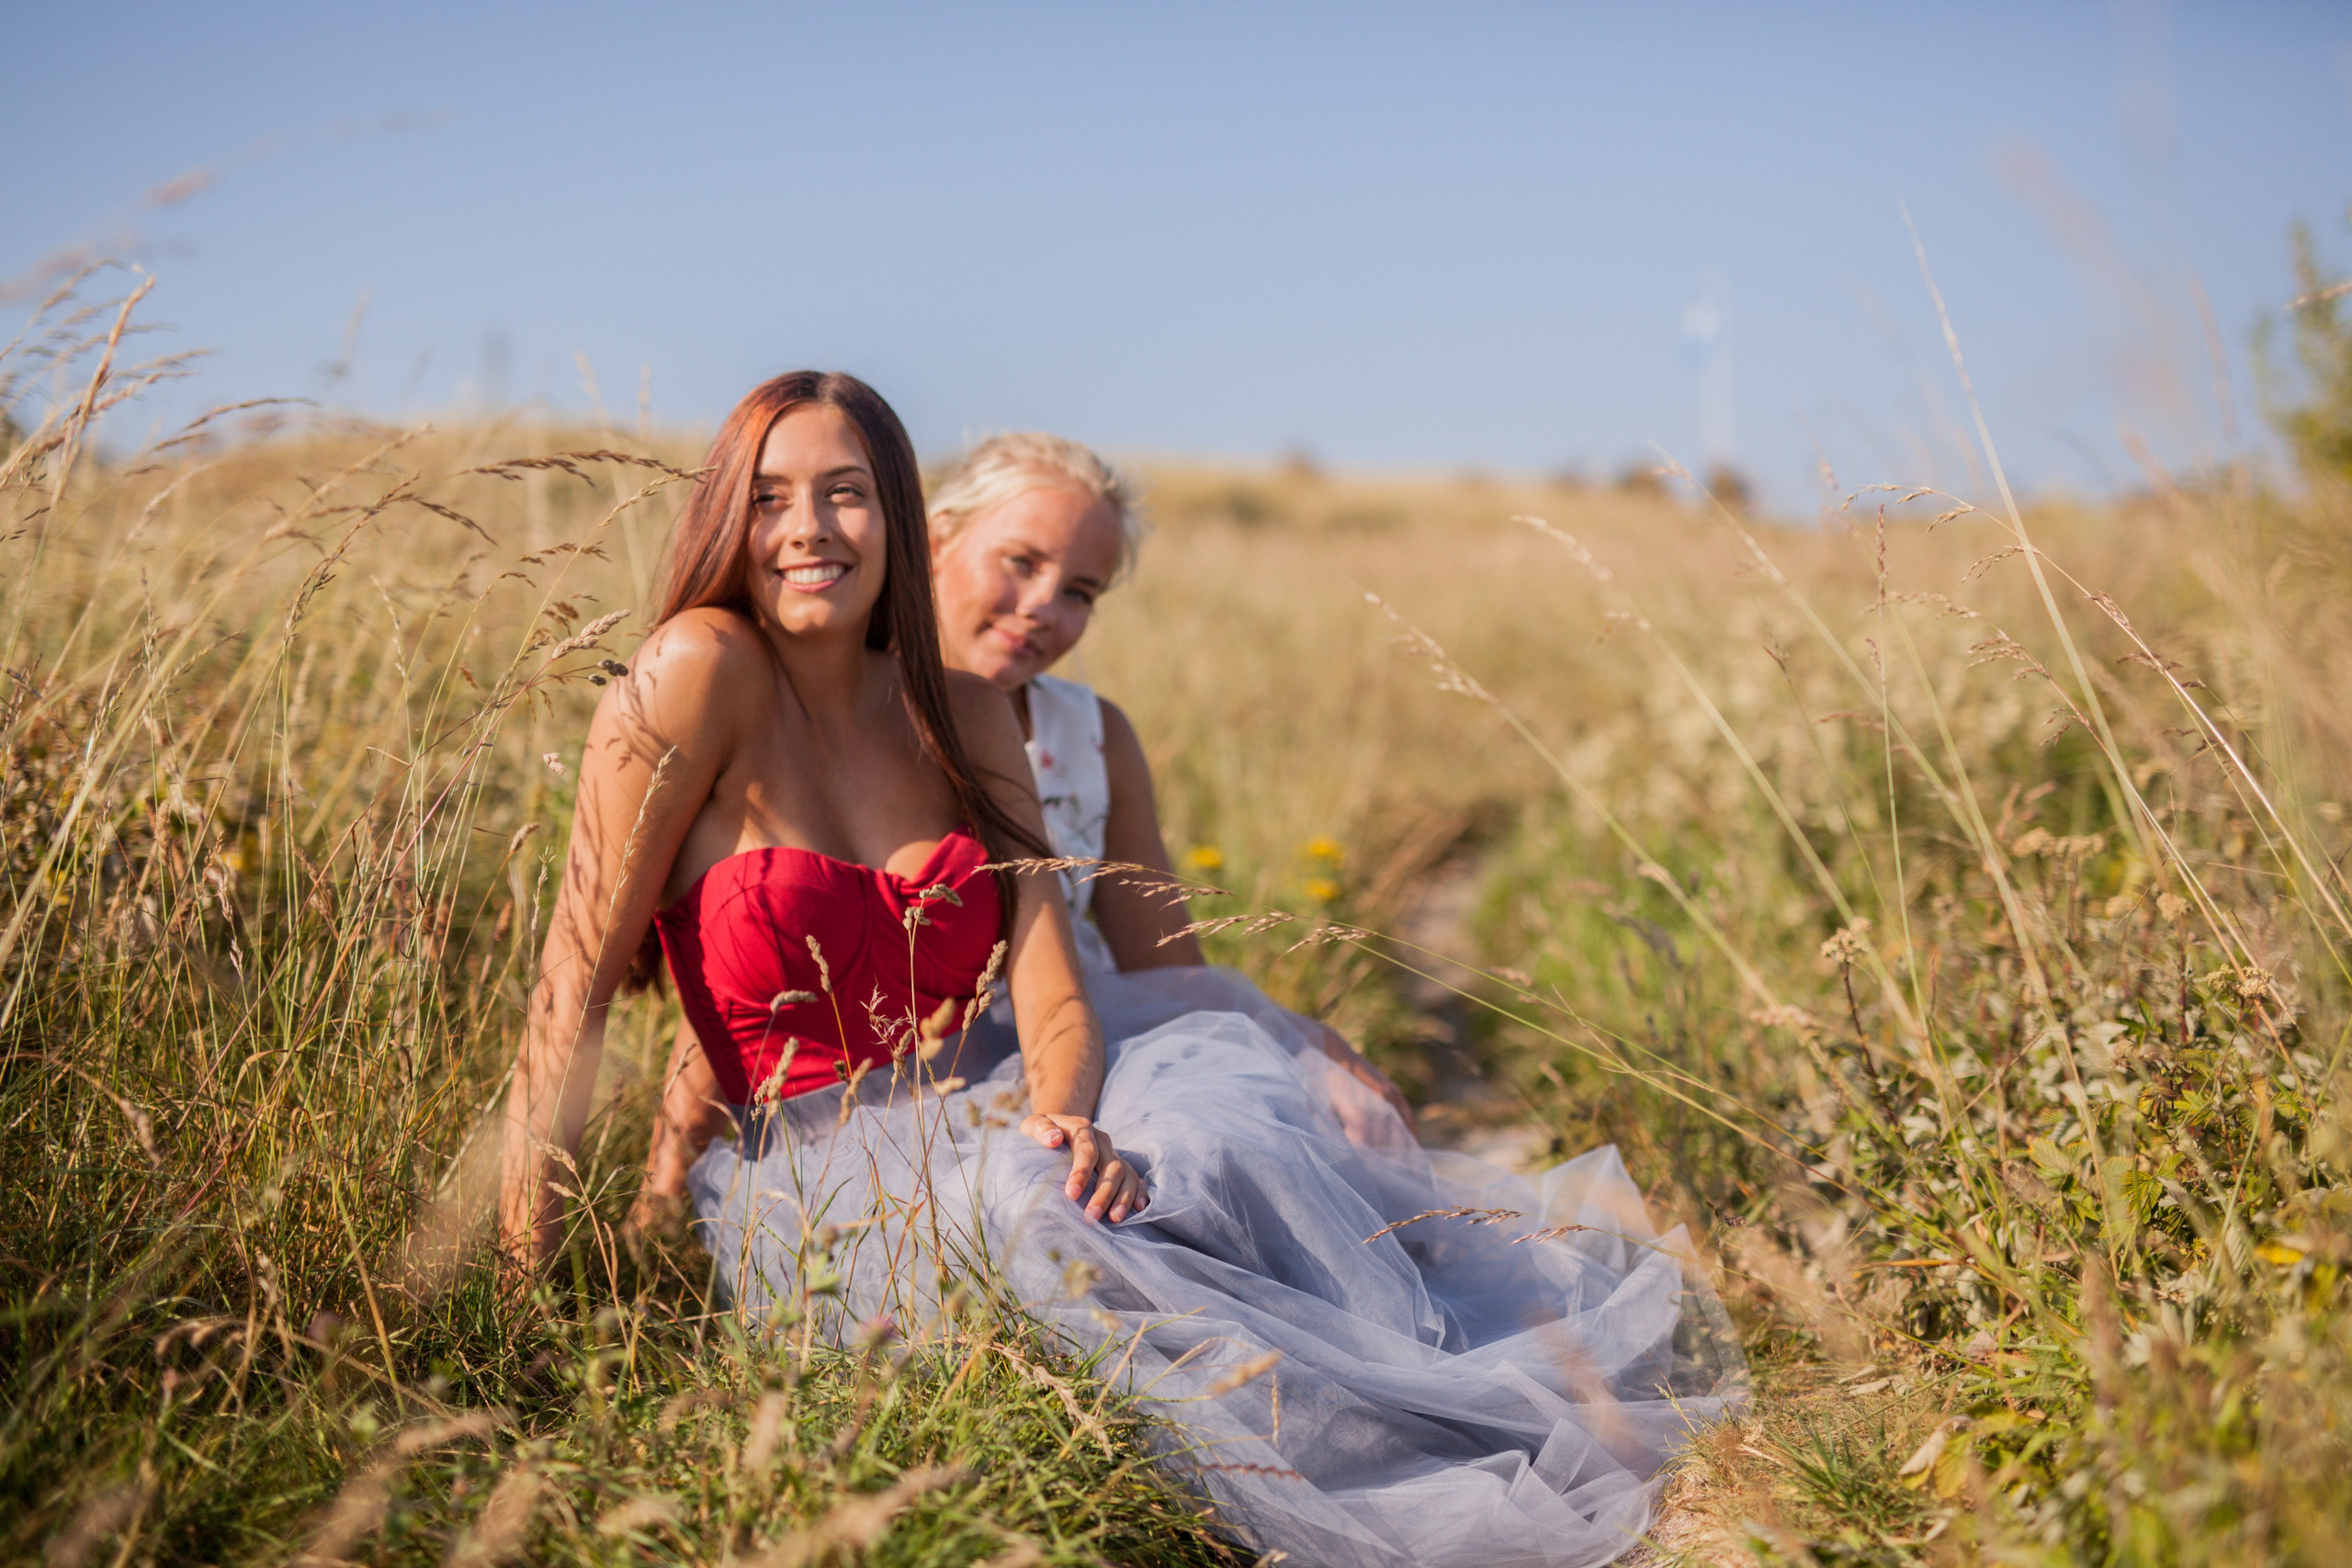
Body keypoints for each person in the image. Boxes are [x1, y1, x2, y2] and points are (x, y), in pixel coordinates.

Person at [504, 373, 1741, 1568]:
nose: (809, 528)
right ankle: (1308, 1492)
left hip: (990, 1090)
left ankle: (1415, 1421)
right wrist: (526, 1287)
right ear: (732, 513)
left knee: (1167, 1159)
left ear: (894, 510)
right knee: (1036, 1224)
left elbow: (1054, 981)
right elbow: (572, 999)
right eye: (771, 496)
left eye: (844, 492)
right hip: (819, 1167)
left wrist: (1066, 1115)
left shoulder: (966, 715)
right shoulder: (694, 671)